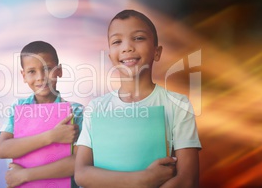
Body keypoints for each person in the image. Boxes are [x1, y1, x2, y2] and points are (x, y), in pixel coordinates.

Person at [75, 10, 201, 188]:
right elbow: (82, 174)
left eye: (139, 38)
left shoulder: (178, 105)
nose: (127, 47)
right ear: (111, 57)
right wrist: (143, 180)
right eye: (117, 41)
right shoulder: (96, 107)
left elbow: (187, 180)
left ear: (157, 52)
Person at [0, 41, 83, 188]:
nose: (40, 77)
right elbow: (2, 150)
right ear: (23, 75)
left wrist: (24, 175)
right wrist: (52, 136)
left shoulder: (75, 111)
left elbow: (79, 162)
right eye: (32, 71)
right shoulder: (18, 108)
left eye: (48, 69)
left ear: (59, 71)